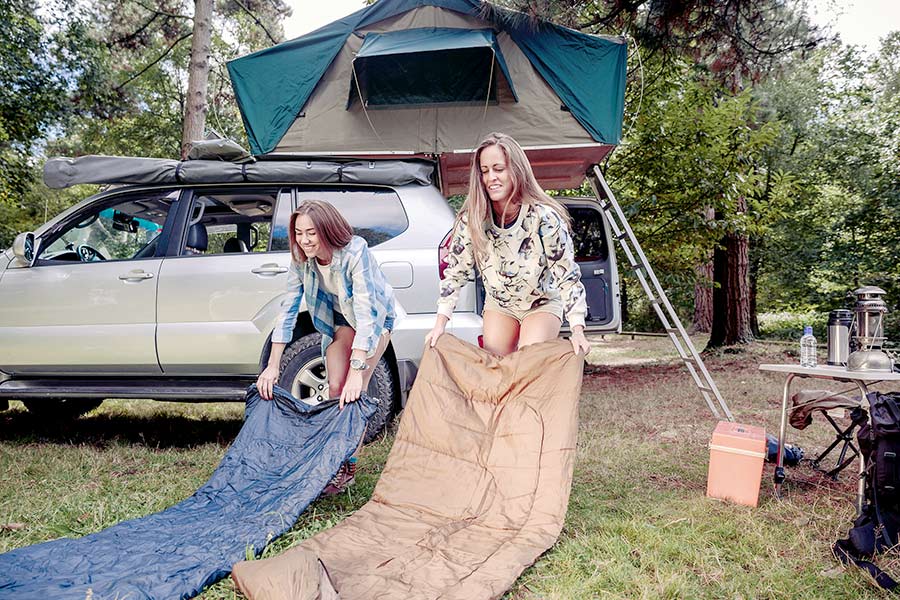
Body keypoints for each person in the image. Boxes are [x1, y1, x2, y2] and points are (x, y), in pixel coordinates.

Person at [257, 200, 396, 494]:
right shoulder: (301, 260)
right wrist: (272, 365)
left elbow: (367, 311)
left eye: (311, 233)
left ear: (327, 230)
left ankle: (347, 467)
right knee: (334, 389)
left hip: (374, 321)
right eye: (298, 233)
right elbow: (288, 309)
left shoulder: (355, 251)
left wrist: (358, 370)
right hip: (341, 321)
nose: (304, 240)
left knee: (353, 392)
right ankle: (332, 460)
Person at [426, 132, 591, 357]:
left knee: (526, 364)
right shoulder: (471, 220)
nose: (491, 177)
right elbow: (455, 273)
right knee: (497, 369)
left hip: (540, 304)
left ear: (516, 170)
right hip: (500, 305)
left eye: (499, 169)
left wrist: (577, 329)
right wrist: (439, 325)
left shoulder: (544, 218)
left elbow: (566, 276)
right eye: (485, 171)